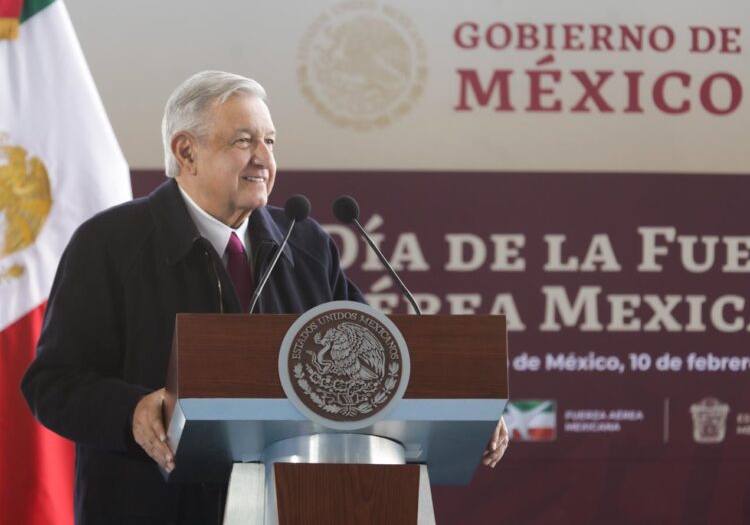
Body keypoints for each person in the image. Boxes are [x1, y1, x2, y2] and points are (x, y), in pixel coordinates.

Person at [22, 70, 507, 525]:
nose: (263, 158)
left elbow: (379, 354)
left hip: (299, 503)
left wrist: (467, 411)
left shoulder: (305, 243)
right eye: (243, 141)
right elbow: (53, 383)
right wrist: (131, 410)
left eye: (269, 142)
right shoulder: (110, 243)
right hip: (152, 505)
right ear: (185, 151)